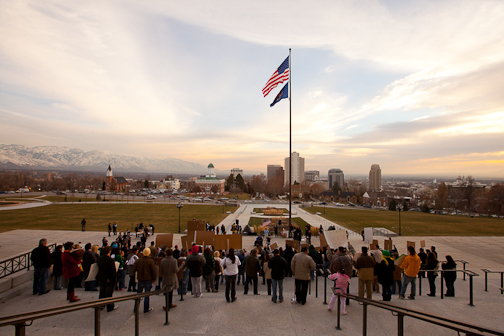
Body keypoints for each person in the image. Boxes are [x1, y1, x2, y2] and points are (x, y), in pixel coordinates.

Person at [133, 248, 157, 313]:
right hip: (148, 279)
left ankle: (136, 308)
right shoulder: (150, 261)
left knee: (138, 294)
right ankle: (146, 309)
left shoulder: (138, 260)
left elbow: (134, 269)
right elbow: (153, 271)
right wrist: (154, 278)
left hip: (140, 279)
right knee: (147, 295)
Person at [96, 246, 118, 312]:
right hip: (108, 278)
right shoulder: (110, 260)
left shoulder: (99, 258)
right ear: (109, 251)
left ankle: (101, 305)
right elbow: (112, 271)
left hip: (101, 277)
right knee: (109, 293)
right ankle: (110, 306)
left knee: (102, 292)